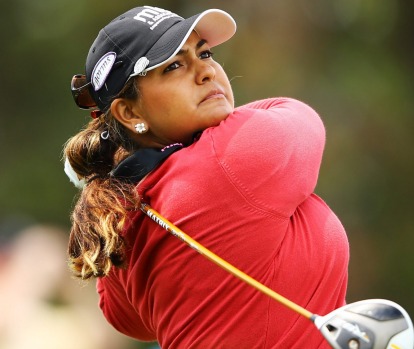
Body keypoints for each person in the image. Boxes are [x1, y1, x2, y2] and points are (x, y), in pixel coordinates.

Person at [62, 5, 349, 349]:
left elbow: (128, 320)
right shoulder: (232, 156)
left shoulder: (120, 213)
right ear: (130, 111)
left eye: (205, 53)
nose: (207, 72)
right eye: (174, 66)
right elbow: (301, 116)